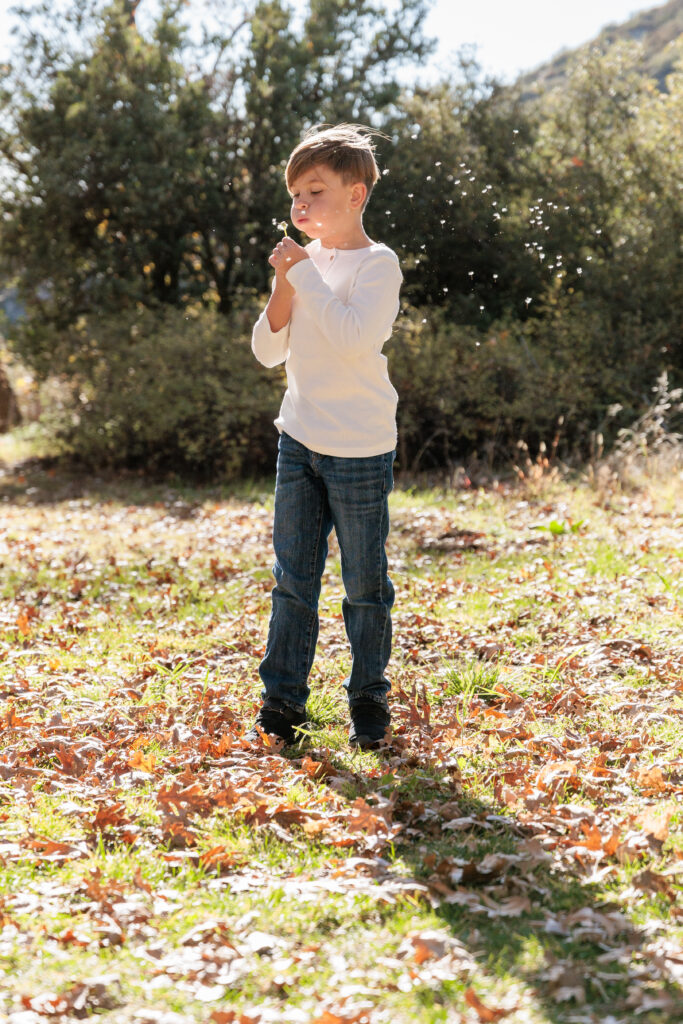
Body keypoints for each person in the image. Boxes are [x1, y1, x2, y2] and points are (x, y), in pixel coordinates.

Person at [247, 124, 402, 750]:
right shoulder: (302, 265)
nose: (300, 205)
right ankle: (282, 703)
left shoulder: (378, 264)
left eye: (315, 190)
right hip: (299, 440)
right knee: (293, 579)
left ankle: (368, 699)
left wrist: (301, 273)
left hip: (361, 448)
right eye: (295, 195)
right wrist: (287, 280)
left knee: (365, 585)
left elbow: (352, 337)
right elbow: (266, 350)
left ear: (356, 193)